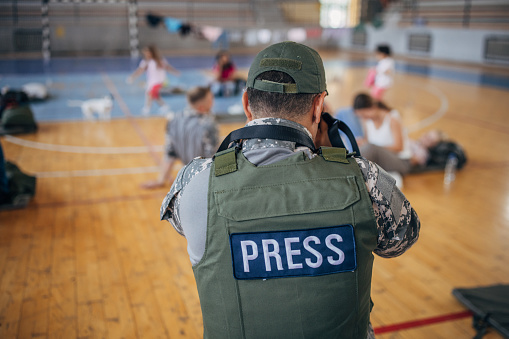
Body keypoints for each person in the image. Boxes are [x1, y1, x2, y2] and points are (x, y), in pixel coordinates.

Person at [160, 42, 420, 339]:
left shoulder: (196, 182)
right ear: (319, 105)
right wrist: (334, 160)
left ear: (246, 104)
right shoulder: (364, 178)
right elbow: (403, 238)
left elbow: (190, 229)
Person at [141, 86, 218, 189]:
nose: (213, 103)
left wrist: (161, 180)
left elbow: (170, 151)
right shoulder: (208, 124)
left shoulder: (174, 119)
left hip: (186, 177)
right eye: (211, 100)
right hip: (204, 180)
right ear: (202, 106)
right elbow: (213, 156)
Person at [353, 93, 412, 184]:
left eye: (365, 114)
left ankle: (352, 173)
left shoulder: (392, 118)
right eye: (362, 116)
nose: (364, 118)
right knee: (361, 146)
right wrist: (362, 142)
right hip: (379, 157)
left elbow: (399, 147)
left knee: (371, 148)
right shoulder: (367, 121)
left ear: (373, 107)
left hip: (400, 161)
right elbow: (369, 141)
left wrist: (375, 148)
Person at [127, 45, 180, 115]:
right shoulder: (146, 62)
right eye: (145, 53)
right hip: (151, 81)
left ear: (152, 52)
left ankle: (149, 108)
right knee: (151, 94)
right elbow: (140, 70)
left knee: (151, 93)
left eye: (148, 52)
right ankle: (161, 106)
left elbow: (167, 67)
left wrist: (175, 72)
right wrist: (133, 77)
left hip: (160, 81)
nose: (146, 54)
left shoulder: (159, 60)